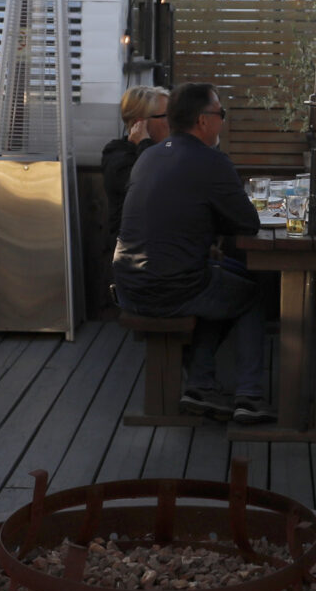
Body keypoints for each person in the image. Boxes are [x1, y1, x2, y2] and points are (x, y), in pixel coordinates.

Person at [110, 82, 271, 423]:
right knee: (254, 294)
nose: (222, 122)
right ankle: (250, 397)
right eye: (220, 115)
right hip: (169, 288)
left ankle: (201, 384)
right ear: (202, 120)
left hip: (127, 286)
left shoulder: (150, 155)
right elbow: (248, 222)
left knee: (225, 283)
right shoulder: (212, 161)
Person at [101, 86, 170, 225]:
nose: (174, 122)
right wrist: (144, 142)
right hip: (134, 244)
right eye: (166, 116)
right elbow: (152, 189)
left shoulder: (169, 149)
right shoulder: (116, 155)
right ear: (140, 124)